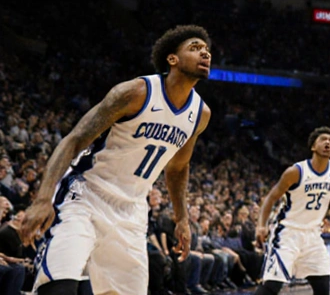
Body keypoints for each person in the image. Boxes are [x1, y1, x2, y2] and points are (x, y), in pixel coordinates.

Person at [22, 26, 212, 295]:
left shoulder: (200, 114)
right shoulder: (135, 92)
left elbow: (178, 167)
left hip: (132, 212)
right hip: (85, 197)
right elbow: (74, 139)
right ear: (173, 59)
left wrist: (182, 218)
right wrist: (43, 199)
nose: (205, 52)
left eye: (207, 50)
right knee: (58, 288)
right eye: (195, 47)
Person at [254, 127, 330, 295]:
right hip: (287, 233)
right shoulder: (296, 172)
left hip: (313, 236)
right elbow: (271, 198)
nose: (328, 142)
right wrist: (261, 225)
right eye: (323, 139)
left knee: (323, 288)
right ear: (313, 146)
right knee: (272, 286)